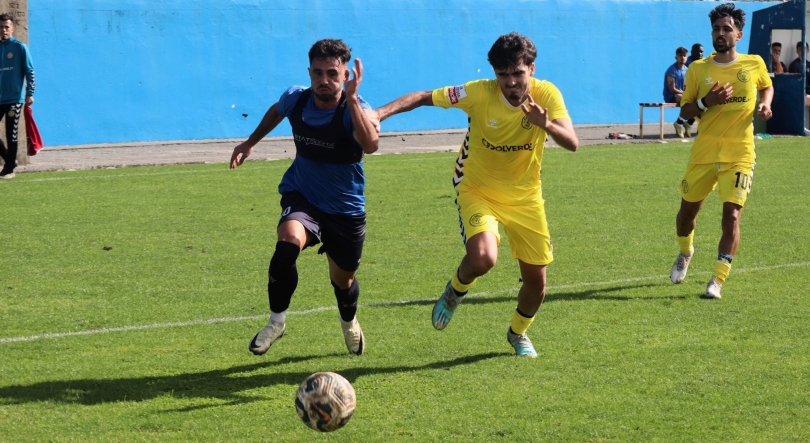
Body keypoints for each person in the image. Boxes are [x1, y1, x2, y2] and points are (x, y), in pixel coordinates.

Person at [374, 32, 579, 357]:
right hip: (477, 188)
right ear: (495, 74)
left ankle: (517, 333)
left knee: (537, 284)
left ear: (531, 68)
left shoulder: (547, 95)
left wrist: (546, 125)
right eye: (503, 75)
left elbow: (572, 142)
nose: (511, 82)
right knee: (484, 257)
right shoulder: (477, 93)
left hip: (526, 198)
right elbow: (425, 97)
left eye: (518, 74)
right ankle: (455, 291)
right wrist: (379, 114)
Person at [229, 39, 379, 356]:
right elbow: (276, 111)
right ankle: (277, 322)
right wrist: (250, 142)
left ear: (345, 75)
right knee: (286, 247)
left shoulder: (355, 109)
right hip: (304, 195)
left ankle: (349, 322)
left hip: (345, 209)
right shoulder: (296, 99)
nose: (324, 81)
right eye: (318, 73)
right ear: (309, 72)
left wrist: (351, 99)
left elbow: (371, 144)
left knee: (343, 281)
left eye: (332, 74)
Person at [669, 3, 773, 299]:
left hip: (740, 154)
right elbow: (686, 111)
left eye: (727, 28)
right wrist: (706, 102)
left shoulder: (753, 64)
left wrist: (766, 104)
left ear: (738, 34)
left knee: (732, 215)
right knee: (686, 214)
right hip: (704, 153)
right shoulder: (698, 69)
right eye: (716, 28)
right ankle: (686, 251)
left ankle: (717, 279)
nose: (720, 33)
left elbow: (766, 86)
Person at [0, 13, 35, 180]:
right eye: (1, 27)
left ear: (12, 28)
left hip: (14, 99)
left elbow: (30, 71)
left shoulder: (20, 47)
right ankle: (9, 161)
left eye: (7, 27)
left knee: (11, 134)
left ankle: (9, 170)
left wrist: (30, 93)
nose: (4, 30)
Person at [664, 47, 695, 138]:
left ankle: (688, 123)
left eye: (684, 55)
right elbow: (672, 89)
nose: (682, 57)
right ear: (676, 57)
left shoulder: (687, 70)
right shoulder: (672, 70)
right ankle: (679, 123)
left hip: (684, 95)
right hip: (672, 96)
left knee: (698, 102)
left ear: (687, 57)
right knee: (686, 99)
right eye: (680, 55)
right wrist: (685, 93)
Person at [788, 41, 810, 135]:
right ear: (797, 51)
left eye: (805, 49)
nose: (803, 51)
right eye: (800, 49)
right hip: (800, 93)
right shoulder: (795, 65)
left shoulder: (809, 64)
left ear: (808, 50)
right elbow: (796, 84)